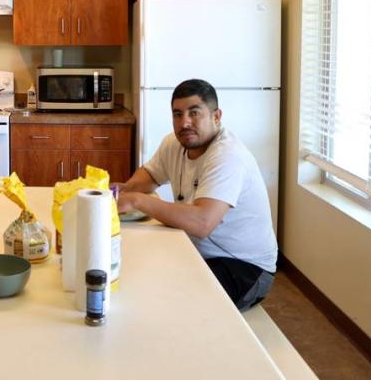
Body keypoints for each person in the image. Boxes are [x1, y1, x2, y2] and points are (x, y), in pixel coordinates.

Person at [116, 79, 277, 310]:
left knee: (172, 306)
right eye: (177, 114)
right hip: (197, 250)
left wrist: (137, 200)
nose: (185, 123)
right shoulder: (174, 143)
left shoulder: (227, 156)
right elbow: (150, 175)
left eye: (194, 113)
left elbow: (203, 222)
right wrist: (123, 190)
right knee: (136, 273)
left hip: (243, 267)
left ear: (216, 116)